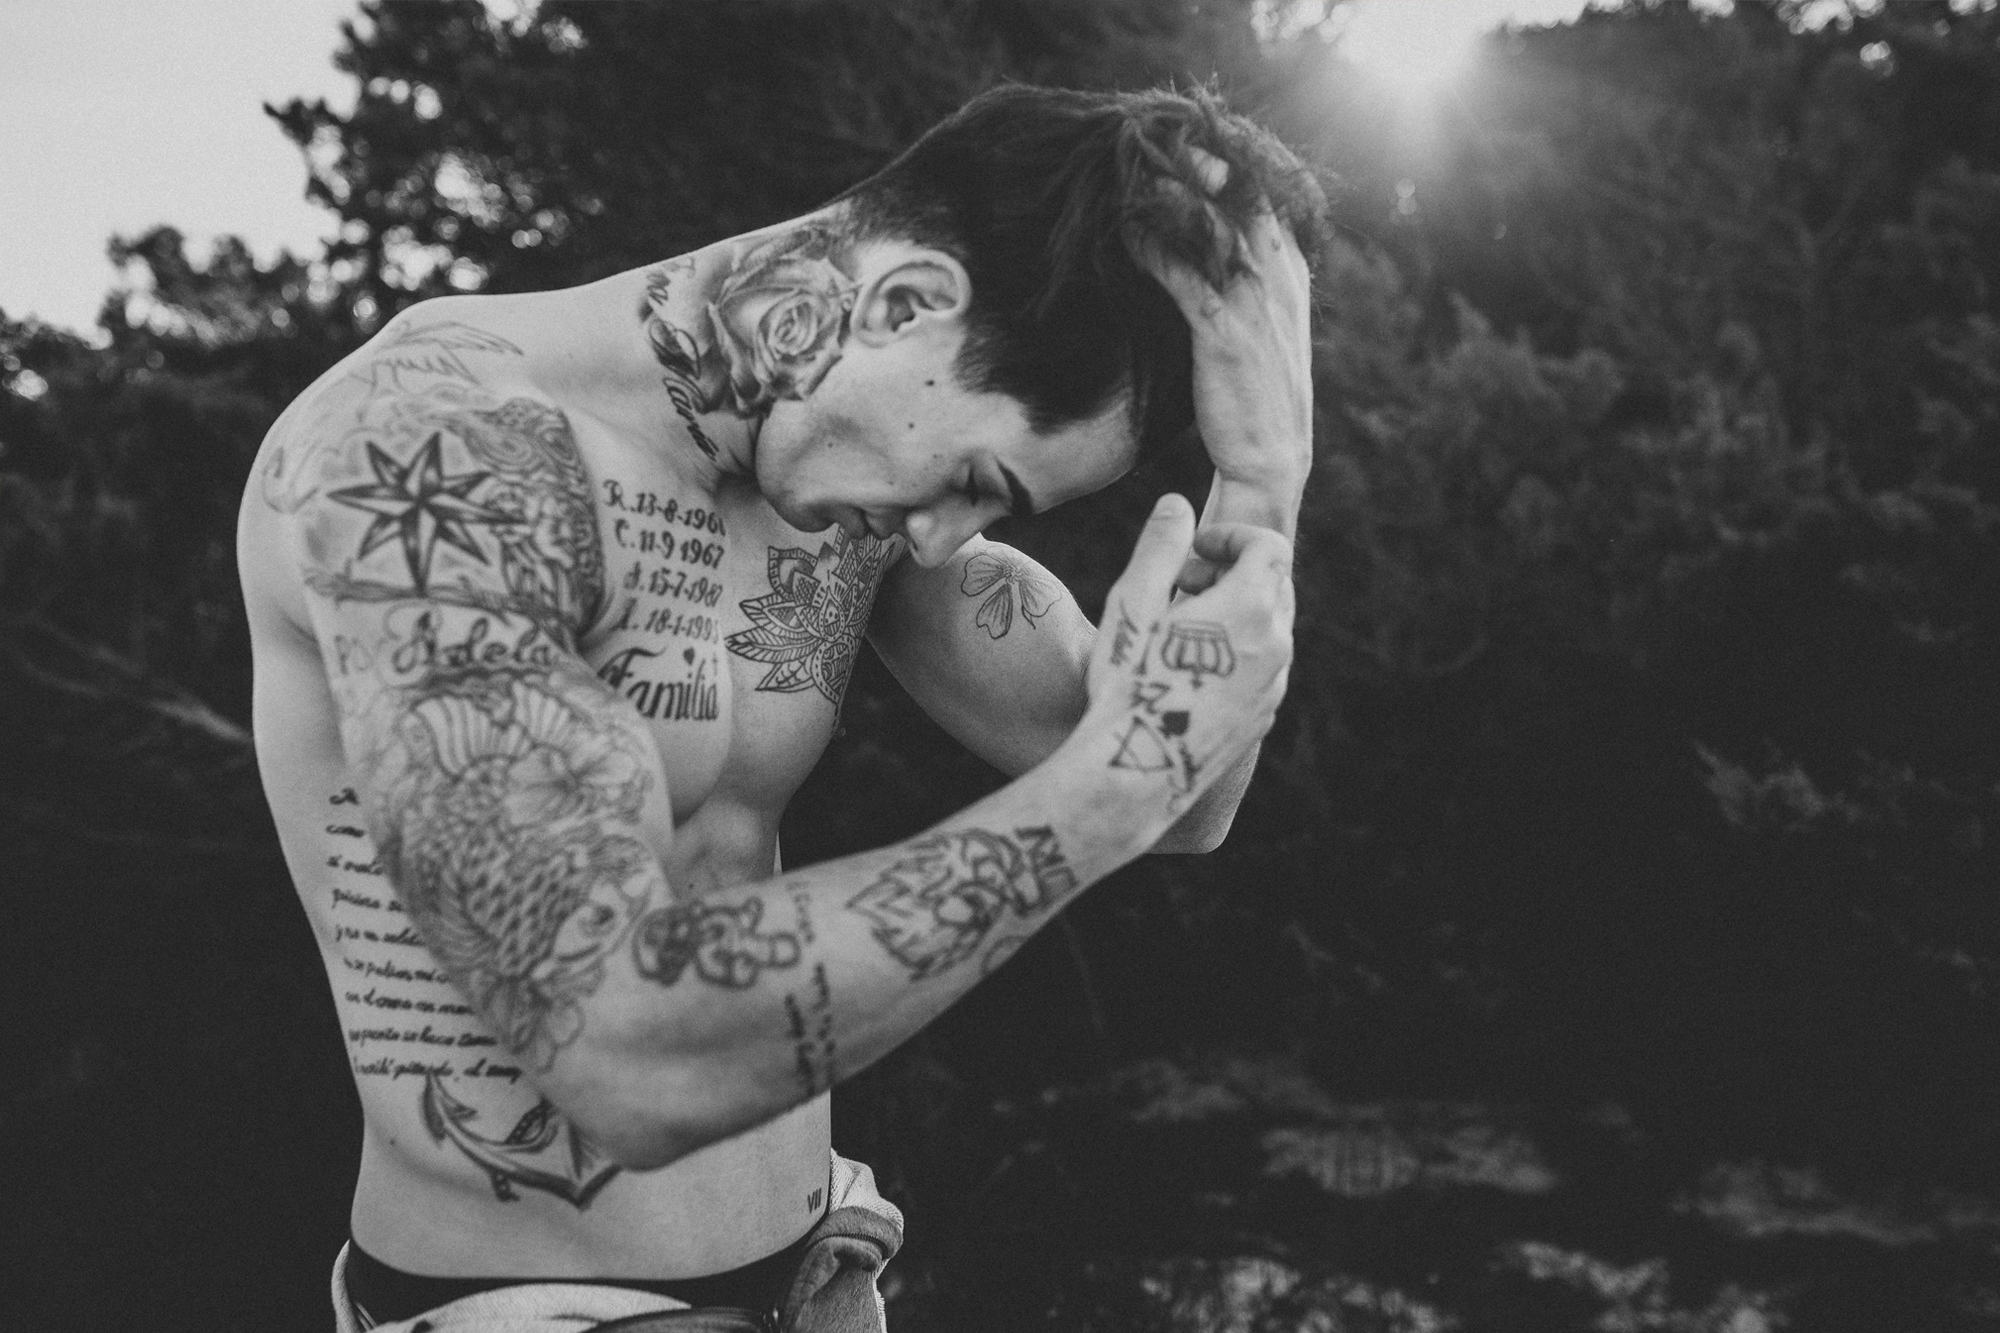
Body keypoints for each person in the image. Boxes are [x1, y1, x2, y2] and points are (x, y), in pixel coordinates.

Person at [236, 83, 1322, 1332]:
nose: (944, 536)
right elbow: (618, 1051)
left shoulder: (840, 483)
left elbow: (1190, 800)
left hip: (818, 1267)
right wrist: (1108, 791)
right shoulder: (428, 454)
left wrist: (1261, 482)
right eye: (976, 478)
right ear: (905, 302)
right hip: (526, 1304)